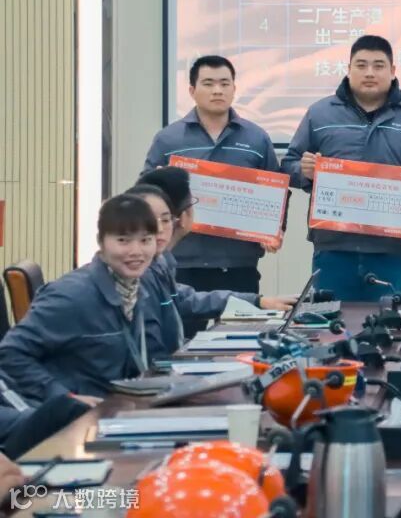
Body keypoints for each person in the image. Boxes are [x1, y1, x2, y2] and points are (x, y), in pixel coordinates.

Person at [282, 35, 401, 301]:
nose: (369, 73)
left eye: (378, 65)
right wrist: (304, 170)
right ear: (348, 69)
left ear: (393, 71)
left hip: (391, 251)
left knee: (390, 324)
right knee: (330, 324)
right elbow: (287, 166)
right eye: (361, 65)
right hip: (333, 249)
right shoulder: (320, 114)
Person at [141, 55, 282, 304]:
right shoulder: (169, 139)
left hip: (238, 263)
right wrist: (161, 183)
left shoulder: (256, 138)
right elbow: (144, 191)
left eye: (224, 83)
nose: (217, 90)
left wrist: (275, 229)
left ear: (234, 89)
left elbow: (276, 190)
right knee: (184, 327)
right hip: (183, 261)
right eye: (208, 83)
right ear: (192, 91)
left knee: (239, 328)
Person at [0, 195, 161, 400]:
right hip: (75, 414)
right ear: (101, 241)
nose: (136, 251)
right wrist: (65, 398)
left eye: (145, 240)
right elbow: (10, 353)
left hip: (116, 407)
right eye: (123, 240)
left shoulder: (135, 289)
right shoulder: (72, 295)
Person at [135, 169, 294, 343]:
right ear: (184, 216)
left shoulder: (160, 263)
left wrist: (258, 301)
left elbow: (186, 300)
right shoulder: (143, 270)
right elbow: (153, 346)